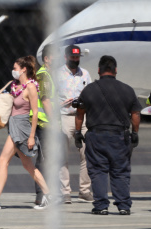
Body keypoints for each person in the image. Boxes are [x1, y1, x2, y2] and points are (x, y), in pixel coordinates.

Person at [0, 55, 51, 210]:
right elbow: (8, 99)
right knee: (27, 165)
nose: (13, 71)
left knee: (4, 161)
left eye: (15, 68)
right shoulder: (15, 85)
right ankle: (49, 196)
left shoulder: (31, 87)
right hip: (13, 127)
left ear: (24, 69)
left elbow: (35, 113)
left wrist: (31, 136)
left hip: (22, 128)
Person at [73, 55, 142, 215]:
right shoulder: (127, 89)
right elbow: (136, 114)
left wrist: (77, 133)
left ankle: (101, 205)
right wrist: (135, 133)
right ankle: (124, 205)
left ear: (98, 70)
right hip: (120, 136)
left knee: (98, 170)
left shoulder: (89, 90)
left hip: (96, 136)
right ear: (115, 70)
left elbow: (79, 113)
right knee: (120, 170)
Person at [55, 45, 93, 204]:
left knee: (87, 154)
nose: (75, 60)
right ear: (66, 57)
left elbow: (90, 94)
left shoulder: (85, 73)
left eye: (77, 57)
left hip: (82, 117)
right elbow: (49, 96)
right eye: (72, 57)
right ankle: (65, 192)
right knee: (62, 155)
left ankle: (84, 191)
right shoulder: (57, 74)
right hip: (64, 116)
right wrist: (60, 103)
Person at [30, 44, 56, 205]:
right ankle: (41, 195)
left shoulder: (51, 74)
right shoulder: (44, 75)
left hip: (46, 123)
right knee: (44, 160)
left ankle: (45, 193)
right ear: (46, 59)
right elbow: (45, 100)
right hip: (44, 124)